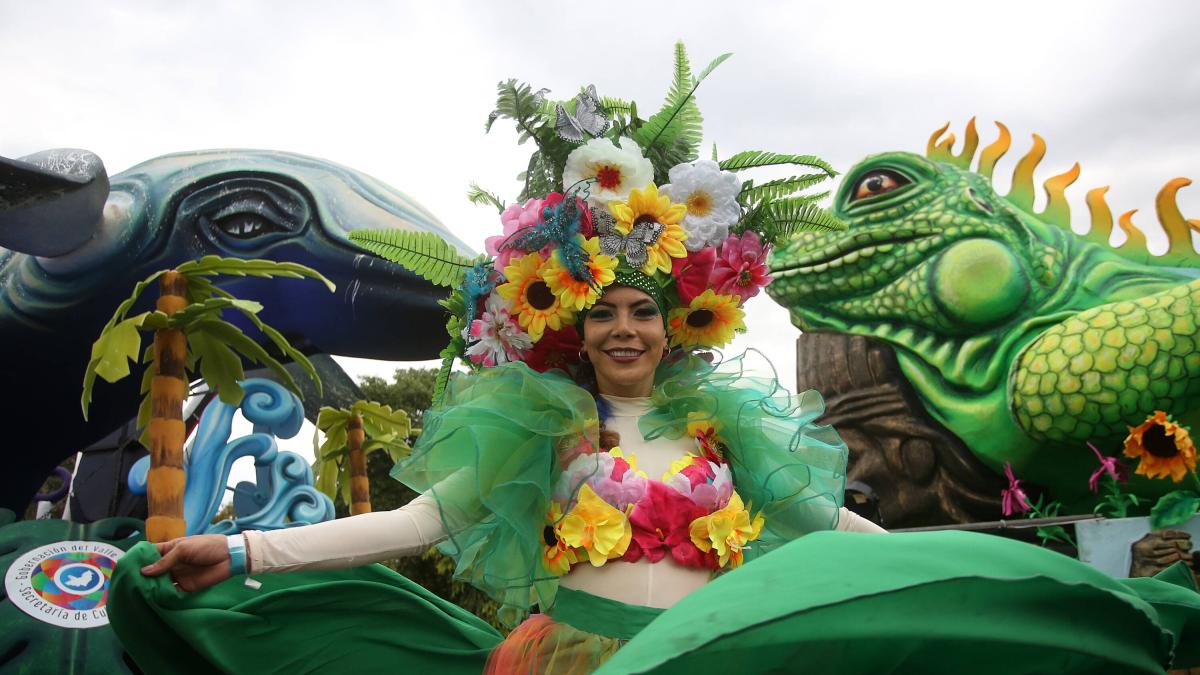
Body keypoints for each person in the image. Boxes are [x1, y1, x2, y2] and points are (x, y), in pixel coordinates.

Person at [108, 72, 1200, 674]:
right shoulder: (541, 423)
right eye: (605, 315)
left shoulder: (729, 427)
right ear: (573, 332)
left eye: (645, 311)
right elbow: (418, 525)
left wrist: (966, 570)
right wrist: (243, 544)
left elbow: (840, 532)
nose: (626, 328)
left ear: (676, 328)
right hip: (576, 663)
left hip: (706, 658)